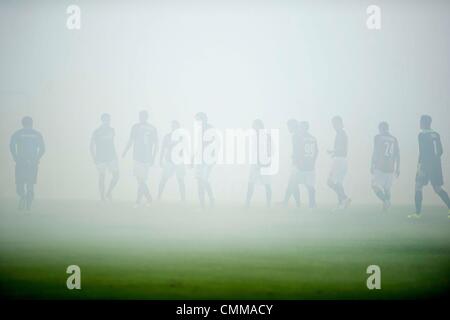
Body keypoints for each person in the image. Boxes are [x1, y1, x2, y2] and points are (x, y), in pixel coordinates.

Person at [409, 115, 450, 219]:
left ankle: (417, 213)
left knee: (418, 186)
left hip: (426, 165)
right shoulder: (436, 134)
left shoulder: (422, 135)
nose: (419, 123)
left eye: (420, 121)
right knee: (437, 188)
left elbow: (423, 152)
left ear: (423, 123)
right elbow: (440, 151)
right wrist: (435, 161)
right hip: (436, 165)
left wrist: (420, 166)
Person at [123, 110, 158, 208]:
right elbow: (131, 140)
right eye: (140, 116)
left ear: (146, 117)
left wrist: (153, 157)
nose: (141, 117)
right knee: (140, 180)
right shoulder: (135, 127)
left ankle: (138, 202)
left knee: (141, 180)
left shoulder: (152, 128)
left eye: (143, 116)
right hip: (137, 156)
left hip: (146, 157)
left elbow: (156, 144)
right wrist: (125, 151)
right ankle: (149, 199)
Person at [9, 116, 45, 210]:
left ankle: (23, 197)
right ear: (32, 123)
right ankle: (28, 205)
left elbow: (11, 145)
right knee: (30, 183)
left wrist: (15, 157)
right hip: (32, 163)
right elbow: (42, 149)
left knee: (20, 184)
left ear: (22, 123)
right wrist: (37, 158)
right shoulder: (37, 134)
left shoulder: (18, 134)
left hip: (21, 162)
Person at [371, 122, 400, 211]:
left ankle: (386, 201)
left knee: (374, 185)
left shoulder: (378, 137)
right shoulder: (394, 139)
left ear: (380, 129)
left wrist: (371, 164)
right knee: (387, 188)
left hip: (380, 166)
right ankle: (386, 208)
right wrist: (398, 168)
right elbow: (397, 155)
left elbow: (375, 152)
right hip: (391, 167)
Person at [90, 113, 119, 202]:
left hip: (111, 157)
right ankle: (102, 197)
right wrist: (93, 157)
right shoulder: (97, 131)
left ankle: (108, 192)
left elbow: (112, 144)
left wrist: (116, 156)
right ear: (102, 120)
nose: (107, 121)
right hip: (100, 157)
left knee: (116, 176)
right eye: (106, 120)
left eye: (109, 120)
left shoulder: (112, 130)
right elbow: (91, 145)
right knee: (102, 176)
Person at [246, 119, 272, 208]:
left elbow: (269, 150)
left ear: (259, 126)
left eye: (254, 126)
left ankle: (268, 204)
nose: (253, 128)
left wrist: (265, 162)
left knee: (267, 184)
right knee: (250, 183)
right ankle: (247, 203)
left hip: (263, 164)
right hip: (255, 164)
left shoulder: (266, 136)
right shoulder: (254, 137)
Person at [157, 120, 186, 202]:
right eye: (173, 126)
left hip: (179, 161)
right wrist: (160, 160)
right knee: (164, 179)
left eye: (175, 126)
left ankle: (183, 199)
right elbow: (163, 148)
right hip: (169, 160)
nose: (174, 128)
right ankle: (158, 196)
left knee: (180, 180)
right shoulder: (167, 136)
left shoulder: (182, 137)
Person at [327, 116, 351, 211]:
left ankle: (344, 198)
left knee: (329, 182)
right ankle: (341, 204)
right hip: (343, 161)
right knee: (338, 183)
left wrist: (334, 151)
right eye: (333, 124)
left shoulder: (341, 134)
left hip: (339, 161)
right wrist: (333, 152)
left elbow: (341, 148)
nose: (333, 126)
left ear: (340, 123)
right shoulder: (342, 134)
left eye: (335, 124)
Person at [295, 121, 318, 209]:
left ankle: (303, 204)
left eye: (301, 127)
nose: (299, 129)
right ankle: (312, 204)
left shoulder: (300, 138)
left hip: (302, 167)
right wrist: (313, 161)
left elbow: (299, 152)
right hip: (311, 166)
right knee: (310, 185)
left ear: (304, 128)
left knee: (294, 183)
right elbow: (316, 151)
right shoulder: (313, 138)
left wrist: (297, 162)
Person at [194, 112, 215, 208]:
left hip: (208, 158)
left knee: (203, 180)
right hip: (199, 158)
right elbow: (198, 145)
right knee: (199, 181)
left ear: (204, 119)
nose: (196, 122)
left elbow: (214, 143)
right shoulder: (198, 130)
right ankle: (203, 205)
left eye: (198, 119)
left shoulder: (210, 128)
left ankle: (211, 200)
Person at [281, 119, 301, 207]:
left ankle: (293, 203)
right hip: (298, 163)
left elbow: (298, 150)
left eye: (289, 126)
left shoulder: (296, 136)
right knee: (292, 183)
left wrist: (295, 160)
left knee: (293, 183)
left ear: (293, 126)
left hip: (297, 164)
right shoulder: (298, 135)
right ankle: (286, 202)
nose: (288, 128)